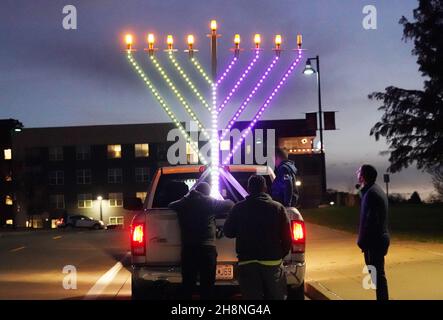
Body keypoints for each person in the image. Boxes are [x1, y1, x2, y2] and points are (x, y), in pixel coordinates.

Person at [223, 175, 292, 300]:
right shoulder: (278, 208)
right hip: (272, 261)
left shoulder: (238, 208)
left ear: (248, 189)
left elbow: (228, 232)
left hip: (247, 261)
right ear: (265, 188)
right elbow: (287, 237)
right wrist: (280, 254)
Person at [168, 182, 234, 300]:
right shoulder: (209, 202)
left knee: (188, 285)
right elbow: (230, 204)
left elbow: (171, 205)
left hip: (188, 249)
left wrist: (185, 198)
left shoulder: (184, 203)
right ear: (207, 193)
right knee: (207, 286)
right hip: (207, 250)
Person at [356, 164, 390, 300]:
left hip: (374, 242)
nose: (357, 173)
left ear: (363, 176)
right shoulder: (372, 191)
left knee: (378, 277)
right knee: (377, 277)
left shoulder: (372, 194)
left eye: (359, 172)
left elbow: (371, 222)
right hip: (376, 240)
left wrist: (363, 242)